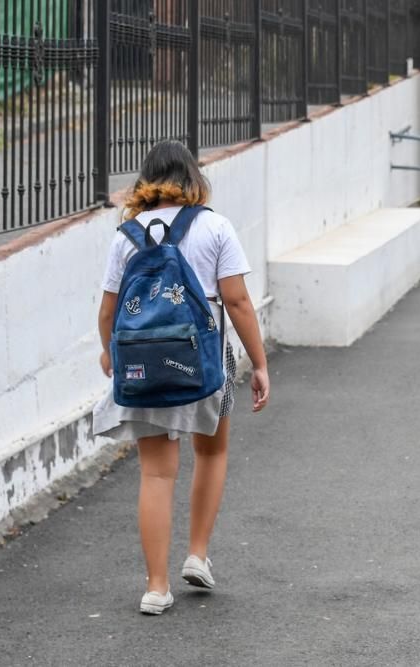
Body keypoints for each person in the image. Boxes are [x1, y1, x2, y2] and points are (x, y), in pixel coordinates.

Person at [92, 140, 270, 615]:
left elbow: (108, 310)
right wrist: (261, 362)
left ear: (145, 182)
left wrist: (111, 356)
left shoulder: (125, 235)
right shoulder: (214, 226)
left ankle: (156, 587)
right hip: (208, 363)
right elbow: (236, 301)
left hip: (144, 365)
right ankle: (197, 553)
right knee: (212, 451)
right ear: (194, 179)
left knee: (155, 471)